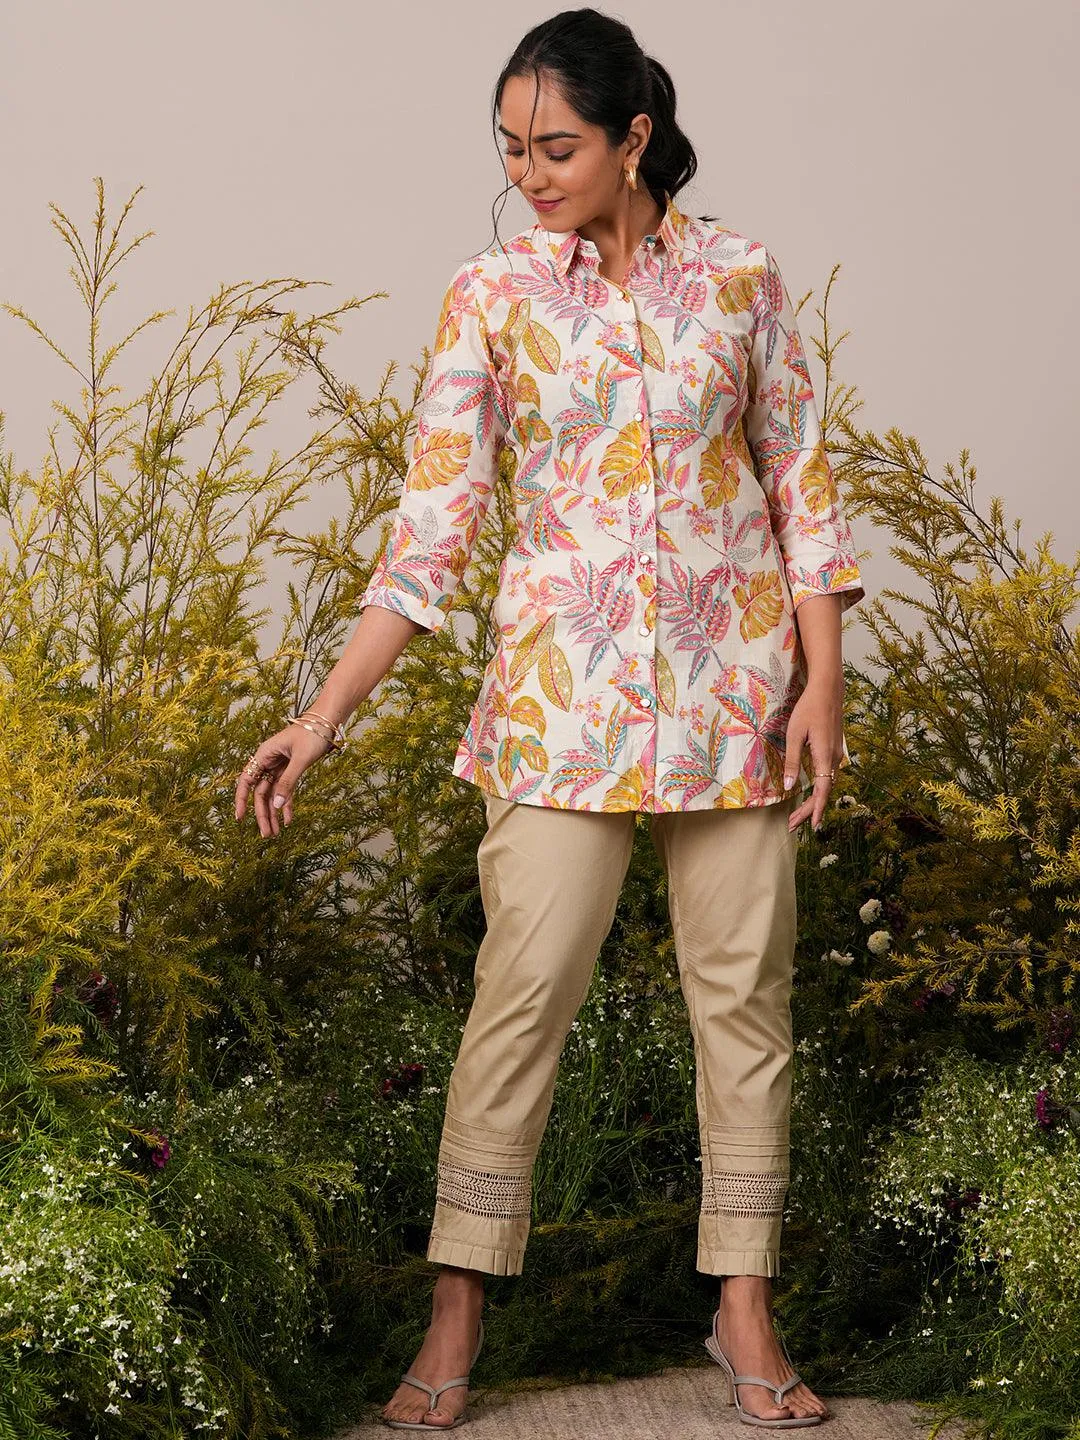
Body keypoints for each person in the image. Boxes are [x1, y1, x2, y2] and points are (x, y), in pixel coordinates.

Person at [236, 8, 865, 1430]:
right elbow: (432, 536)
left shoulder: (744, 279)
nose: (527, 172)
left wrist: (823, 681)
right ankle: (456, 1309)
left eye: (557, 147)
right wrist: (320, 719)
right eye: (510, 147)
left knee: (745, 1007)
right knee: (517, 1002)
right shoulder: (490, 296)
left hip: (734, 702)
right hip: (556, 711)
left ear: (634, 137)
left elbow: (801, 486)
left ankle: (742, 1305)